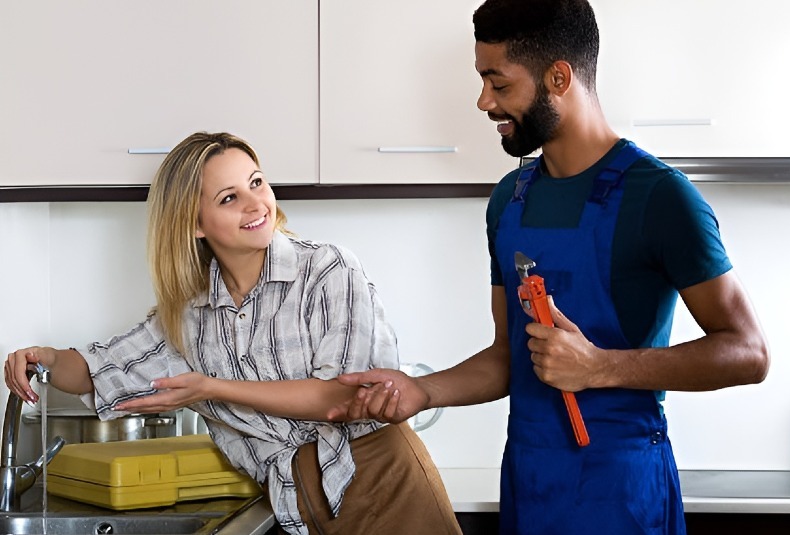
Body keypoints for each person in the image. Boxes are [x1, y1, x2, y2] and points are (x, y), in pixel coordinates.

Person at [329, 1, 770, 534]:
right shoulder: (508, 201)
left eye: (499, 83)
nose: (483, 100)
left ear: (558, 77)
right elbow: (507, 356)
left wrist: (600, 367)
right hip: (530, 485)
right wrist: (422, 391)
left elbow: (748, 352)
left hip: (623, 495)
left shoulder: (661, 198)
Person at [4, 132, 462, 535]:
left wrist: (211, 389)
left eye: (257, 182)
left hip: (381, 483)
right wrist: (44, 357)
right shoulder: (190, 315)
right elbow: (100, 369)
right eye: (229, 197)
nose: (255, 203)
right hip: (295, 501)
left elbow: (340, 400)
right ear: (196, 224)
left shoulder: (327, 269)